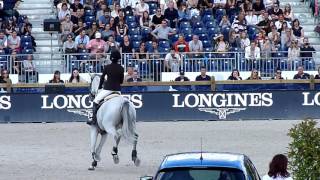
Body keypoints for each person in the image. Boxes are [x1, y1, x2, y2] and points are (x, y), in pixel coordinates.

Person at [87, 49, 124, 125]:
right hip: (118, 91)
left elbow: (102, 78)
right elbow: (121, 82)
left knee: (95, 101)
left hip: (107, 89)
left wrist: (100, 87)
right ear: (118, 58)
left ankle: (94, 120)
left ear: (111, 58)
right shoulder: (121, 68)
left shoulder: (107, 67)